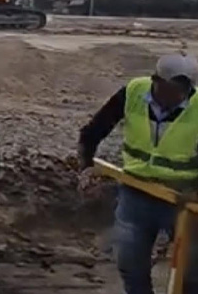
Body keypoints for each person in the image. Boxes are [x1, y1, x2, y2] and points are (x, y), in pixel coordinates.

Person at [78, 53, 198, 294]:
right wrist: (87, 165)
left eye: (183, 91)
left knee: (191, 272)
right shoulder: (132, 92)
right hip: (137, 193)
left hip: (183, 200)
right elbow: (93, 130)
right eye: (172, 90)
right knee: (130, 265)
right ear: (155, 81)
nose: (178, 97)